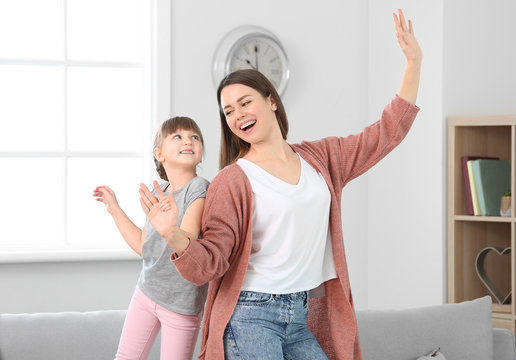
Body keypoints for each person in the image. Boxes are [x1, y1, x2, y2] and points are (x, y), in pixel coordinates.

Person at [139, 9, 422, 360]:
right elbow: (212, 261)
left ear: (271, 100)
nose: (238, 115)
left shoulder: (323, 159)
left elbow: (383, 135)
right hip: (250, 318)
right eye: (229, 111)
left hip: (300, 317)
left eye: (245, 102)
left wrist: (413, 64)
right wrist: (173, 235)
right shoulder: (234, 180)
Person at [93, 116, 210, 360]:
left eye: (194, 137)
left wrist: (170, 228)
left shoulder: (198, 187)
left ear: (200, 155)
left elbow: (188, 246)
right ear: (159, 153)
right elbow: (142, 246)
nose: (187, 140)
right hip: (146, 292)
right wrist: (115, 209)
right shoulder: (160, 193)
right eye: (177, 136)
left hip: (181, 304)